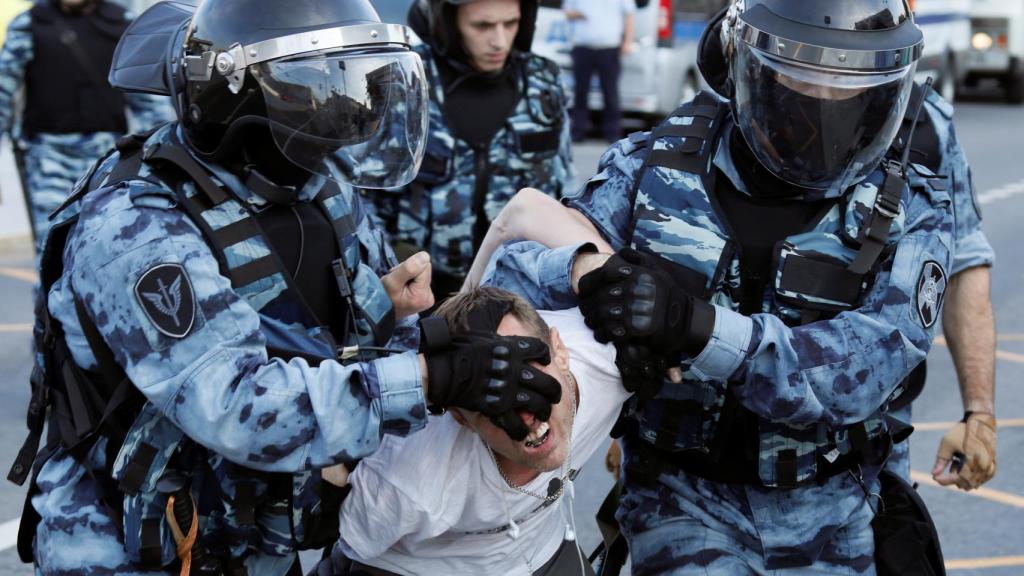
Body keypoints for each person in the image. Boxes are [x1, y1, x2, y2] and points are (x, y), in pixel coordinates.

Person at [8, 0, 563, 573]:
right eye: (319, 81)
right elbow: (236, 404)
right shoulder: (138, 226)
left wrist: (423, 330)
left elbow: (344, 333)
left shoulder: (319, 189)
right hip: (134, 546)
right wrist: (430, 377)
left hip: (254, 537)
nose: (350, 104)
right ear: (240, 92)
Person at [479, 0, 956, 572]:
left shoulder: (913, 207)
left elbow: (867, 366)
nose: (826, 108)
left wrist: (691, 326)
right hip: (680, 499)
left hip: (835, 508)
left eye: (849, 87)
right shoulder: (653, 169)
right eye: (805, 82)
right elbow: (512, 273)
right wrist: (595, 278)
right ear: (741, 65)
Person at [332, 286, 627, 576]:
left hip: (543, 550)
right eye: (493, 401)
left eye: (528, 374)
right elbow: (350, 543)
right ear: (460, 417)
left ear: (559, 351)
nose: (526, 418)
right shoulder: (407, 481)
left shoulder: (610, 361)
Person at [365, 0, 575, 301]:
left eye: (511, 23)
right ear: (448, 24)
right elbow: (365, 197)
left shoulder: (544, 83)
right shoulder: (403, 82)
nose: (499, 41)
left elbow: (564, 184)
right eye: (482, 26)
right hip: (419, 292)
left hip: (518, 290)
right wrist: (384, 277)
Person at [0, 0, 172, 250]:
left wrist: (161, 159)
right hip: (49, 158)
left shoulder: (123, 23)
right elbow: (3, 96)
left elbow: (148, 102)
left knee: (109, 245)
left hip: (108, 159)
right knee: (52, 246)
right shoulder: (30, 24)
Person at [564, 0, 635, 143]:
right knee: (581, 91)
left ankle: (612, 132)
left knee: (610, 92)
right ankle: (578, 130)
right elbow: (567, 12)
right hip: (583, 46)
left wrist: (627, 41)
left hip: (609, 47)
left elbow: (629, 15)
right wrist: (580, 14)